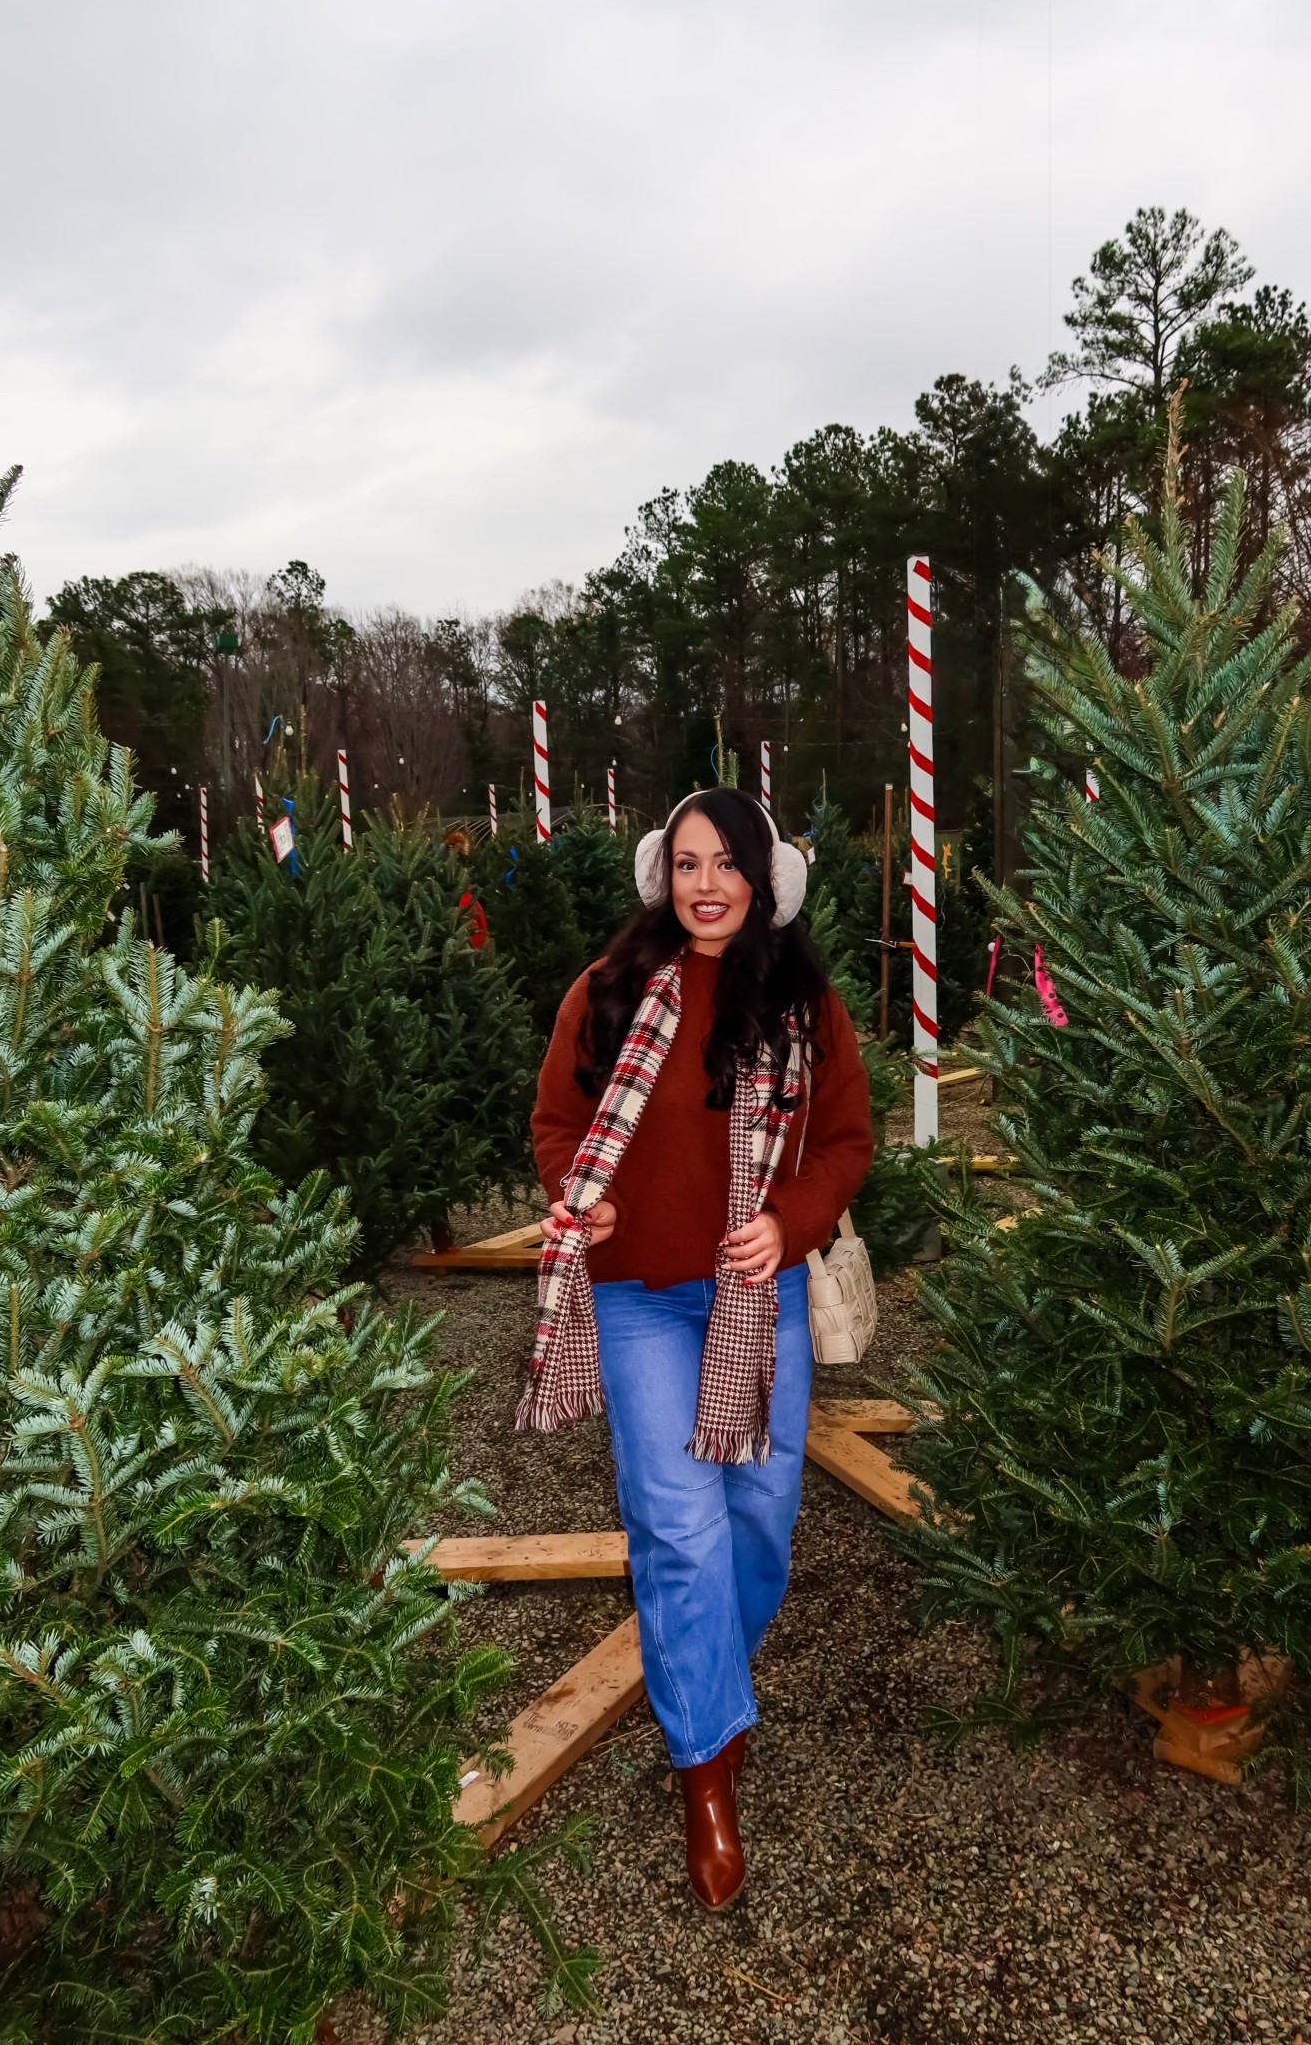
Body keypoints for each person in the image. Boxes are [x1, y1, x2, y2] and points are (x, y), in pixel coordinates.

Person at [515, 787, 874, 1911]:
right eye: (685, 863)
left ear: (765, 877)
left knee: (758, 1517)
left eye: (725, 862)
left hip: (751, 1292)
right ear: (659, 875)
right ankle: (707, 1767)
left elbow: (850, 1136)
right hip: (634, 1299)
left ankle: (703, 1667)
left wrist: (793, 1219)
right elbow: (555, 1124)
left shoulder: (803, 1001)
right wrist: (584, 1193)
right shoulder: (608, 990)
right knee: (677, 1522)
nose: (704, 882)